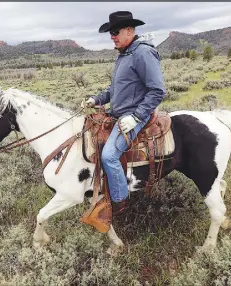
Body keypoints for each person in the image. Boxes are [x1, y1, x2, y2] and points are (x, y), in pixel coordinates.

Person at [84, 11, 166, 215]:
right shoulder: (125, 54)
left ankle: (120, 203)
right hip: (119, 113)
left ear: (130, 30)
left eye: (115, 31)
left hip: (135, 115)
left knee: (109, 155)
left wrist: (136, 116)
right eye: (110, 33)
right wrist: (97, 99)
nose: (112, 36)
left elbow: (157, 91)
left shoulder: (142, 53)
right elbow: (115, 89)